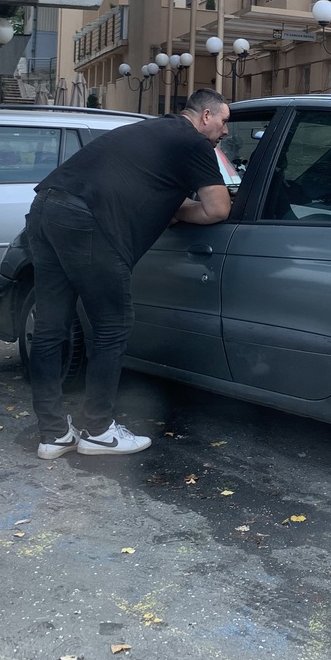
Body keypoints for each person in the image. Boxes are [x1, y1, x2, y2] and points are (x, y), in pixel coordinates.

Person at [27, 87, 232, 459]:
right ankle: (98, 431)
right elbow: (218, 209)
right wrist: (177, 210)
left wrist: (167, 204)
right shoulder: (194, 143)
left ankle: (53, 435)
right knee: (112, 325)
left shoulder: (153, 129)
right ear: (206, 116)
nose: (226, 131)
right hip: (88, 221)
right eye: (224, 121)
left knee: (50, 327)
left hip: (46, 207)